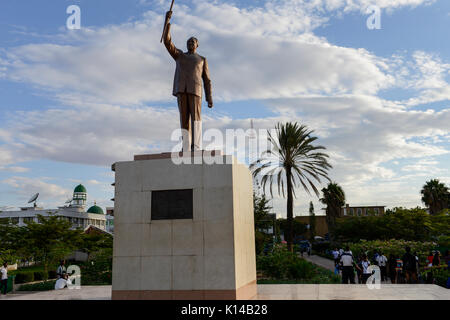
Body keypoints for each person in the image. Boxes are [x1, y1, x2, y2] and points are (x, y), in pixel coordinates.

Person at [163, 10, 213, 152]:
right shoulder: (179, 55)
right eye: (189, 41)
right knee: (183, 119)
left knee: (196, 119)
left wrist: (209, 97)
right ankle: (186, 146)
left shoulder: (202, 59)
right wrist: (167, 22)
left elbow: (207, 80)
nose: (190, 43)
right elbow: (167, 42)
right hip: (181, 89)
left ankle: (196, 146)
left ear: (197, 45)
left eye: (193, 41)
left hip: (195, 90)